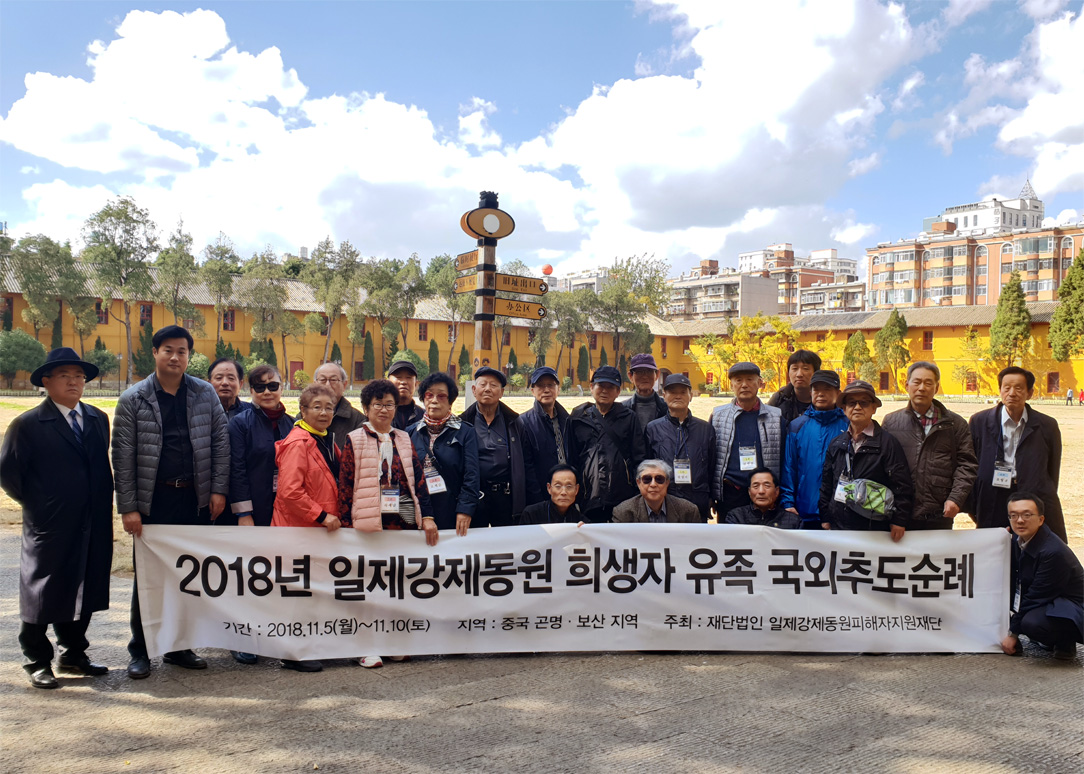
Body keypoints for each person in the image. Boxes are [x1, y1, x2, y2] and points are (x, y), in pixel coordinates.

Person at [113, 325, 229, 679]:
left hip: (193, 498)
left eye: (182, 351)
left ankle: (180, 647)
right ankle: (141, 650)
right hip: (155, 500)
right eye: (168, 350)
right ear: (155, 353)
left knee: (187, 575)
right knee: (149, 579)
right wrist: (129, 507)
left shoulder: (204, 393)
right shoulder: (133, 398)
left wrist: (218, 490)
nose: (175, 357)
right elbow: (123, 457)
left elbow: (220, 443)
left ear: (189, 356)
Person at [0, 348, 114, 689]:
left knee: (84, 583)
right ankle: (36, 660)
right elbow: (9, 474)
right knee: (42, 590)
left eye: (79, 376)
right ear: (46, 382)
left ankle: (73, 654)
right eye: (65, 375)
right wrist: (41, 503)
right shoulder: (28, 424)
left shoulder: (97, 418)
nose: (74, 382)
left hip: (91, 519)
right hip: (49, 522)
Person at [338, 379, 437, 669]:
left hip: (403, 522)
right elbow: (345, 485)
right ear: (366, 408)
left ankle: (393, 642)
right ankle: (365, 646)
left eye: (389, 404)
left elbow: (418, 479)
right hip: (368, 524)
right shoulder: (354, 439)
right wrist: (345, 528)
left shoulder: (404, 438)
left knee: (397, 585)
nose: (384, 409)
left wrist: (426, 516)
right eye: (377, 404)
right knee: (368, 585)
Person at [222, 365, 294, 665]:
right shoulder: (240, 424)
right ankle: (244, 638)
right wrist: (243, 512)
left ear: (282, 387)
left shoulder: (294, 424)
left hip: (286, 513)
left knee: (281, 575)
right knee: (249, 576)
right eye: (259, 387)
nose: (267, 392)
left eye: (273, 386)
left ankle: (278, 634)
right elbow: (235, 470)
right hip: (254, 510)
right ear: (250, 390)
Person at [272, 383, 343, 673]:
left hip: (316, 532)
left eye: (329, 407)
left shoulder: (325, 440)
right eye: (317, 407)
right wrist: (322, 515)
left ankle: (310, 646)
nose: (324, 412)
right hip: (298, 530)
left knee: (314, 592)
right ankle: (293, 653)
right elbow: (290, 492)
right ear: (303, 410)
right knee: (297, 595)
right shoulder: (298, 442)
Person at [968, 367, 1065, 542]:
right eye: (1006, 387)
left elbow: (1052, 471)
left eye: (1019, 388)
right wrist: (975, 506)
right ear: (1000, 390)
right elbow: (970, 463)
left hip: (1033, 496)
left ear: (1030, 393)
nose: (1012, 393)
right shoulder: (979, 421)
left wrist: (1042, 493)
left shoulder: (1047, 425)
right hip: (994, 495)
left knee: (1037, 549)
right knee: (995, 550)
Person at [882, 362, 977, 531]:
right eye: (916, 382)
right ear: (907, 385)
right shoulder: (891, 422)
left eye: (928, 383)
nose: (922, 388)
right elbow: (882, 465)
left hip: (939, 514)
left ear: (937, 387)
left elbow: (967, 464)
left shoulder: (955, 424)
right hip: (900, 514)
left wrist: (956, 498)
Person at [818, 380, 912, 540]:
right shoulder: (836, 443)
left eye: (864, 403)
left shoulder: (888, 443)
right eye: (852, 403)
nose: (857, 407)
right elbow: (827, 483)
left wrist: (899, 520)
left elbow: (902, 485)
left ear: (874, 408)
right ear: (844, 408)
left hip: (874, 528)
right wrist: (826, 516)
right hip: (840, 527)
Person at [1001, 493, 1082, 661]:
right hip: (1053, 600)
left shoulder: (1052, 551)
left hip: (1074, 607)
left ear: (1041, 519)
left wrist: (1013, 634)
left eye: (1027, 515)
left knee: (1032, 623)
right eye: (1013, 516)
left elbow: (1036, 596)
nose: (1020, 520)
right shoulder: (1019, 538)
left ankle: (1065, 641)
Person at [566, 365, 647, 523]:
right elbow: (572, 458)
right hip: (588, 496)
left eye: (611, 387)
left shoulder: (629, 418)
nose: (605, 391)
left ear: (618, 392)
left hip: (622, 496)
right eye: (601, 385)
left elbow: (639, 457)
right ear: (591, 387)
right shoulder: (577, 418)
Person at [710, 362, 785, 519]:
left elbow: (785, 458)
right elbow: (710, 457)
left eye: (750, 379)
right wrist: (712, 493)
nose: (744, 385)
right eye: (738, 380)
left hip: (764, 493)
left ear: (759, 383)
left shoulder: (776, 416)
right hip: (730, 492)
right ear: (731, 385)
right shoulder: (718, 416)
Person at [407, 371, 479, 534]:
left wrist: (465, 509)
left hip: (454, 513)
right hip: (419, 515)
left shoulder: (466, 432)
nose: (434, 400)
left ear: (450, 401)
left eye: (441, 396)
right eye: (429, 395)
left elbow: (472, 475)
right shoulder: (410, 433)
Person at [780, 370, 849, 530]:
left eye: (827, 389)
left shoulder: (848, 425)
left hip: (839, 512)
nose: (821, 394)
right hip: (804, 510)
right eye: (816, 389)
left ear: (838, 393)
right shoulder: (797, 426)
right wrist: (788, 502)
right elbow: (789, 468)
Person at [460, 366, 526, 526]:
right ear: (474, 390)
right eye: (483, 385)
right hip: (475, 494)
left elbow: (526, 461)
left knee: (506, 544)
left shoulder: (514, 422)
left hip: (505, 495)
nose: (488, 389)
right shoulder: (462, 422)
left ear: (502, 392)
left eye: (493, 385)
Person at [645, 374, 716, 521]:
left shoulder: (705, 429)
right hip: (664, 501)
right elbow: (646, 466)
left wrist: (711, 497)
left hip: (697, 500)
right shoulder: (653, 428)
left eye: (683, 392)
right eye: (672, 392)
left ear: (691, 396)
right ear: (664, 395)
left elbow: (712, 466)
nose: (678, 396)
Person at [518, 366, 570, 506]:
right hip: (541, 496)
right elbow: (526, 466)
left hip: (567, 493)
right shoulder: (523, 422)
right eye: (540, 386)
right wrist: (538, 501)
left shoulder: (567, 420)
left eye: (550, 385)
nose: (546, 390)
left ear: (558, 389)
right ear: (532, 391)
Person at [612, 460, 701, 524]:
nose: (653, 484)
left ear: (667, 483)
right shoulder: (623, 513)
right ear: (638, 483)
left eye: (659, 479)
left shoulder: (689, 511)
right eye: (647, 479)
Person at [309, 362, 365, 446]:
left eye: (333, 380)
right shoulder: (304, 417)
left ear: (344, 384)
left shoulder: (358, 420)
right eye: (323, 380)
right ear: (315, 384)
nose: (328, 385)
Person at [724, 468, 801, 528]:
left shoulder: (793, 521)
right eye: (756, 486)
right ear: (749, 491)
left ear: (777, 491)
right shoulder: (736, 517)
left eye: (767, 486)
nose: (761, 491)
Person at [768, 350, 822, 426]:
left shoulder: (824, 399)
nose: (799, 374)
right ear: (789, 372)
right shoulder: (779, 399)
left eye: (805, 368)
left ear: (816, 373)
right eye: (795, 368)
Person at [519, 464, 585, 525]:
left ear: (576, 489)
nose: (563, 492)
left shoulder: (581, 521)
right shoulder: (531, 514)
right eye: (558, 486)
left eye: (569, 486)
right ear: (549, 488)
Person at [622, 353, 668, 429]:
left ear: (657, 375)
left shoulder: (667, 408)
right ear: (630, 376)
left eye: (649, 371)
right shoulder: (623, 409)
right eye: (639, 372)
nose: (644, 376)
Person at [208, 358, 251, 422]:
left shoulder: (252, 412)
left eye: (231, 378)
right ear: (208, 383)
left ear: (240, 384)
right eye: (219, 378)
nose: (225, 383)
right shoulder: (200, 412)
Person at [388, 359, 425, 431]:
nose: (403, 382)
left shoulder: (424, 417)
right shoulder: (380, 415)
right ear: (388, 382)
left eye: (409, 377)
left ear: (416, 384)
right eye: (398, 377)